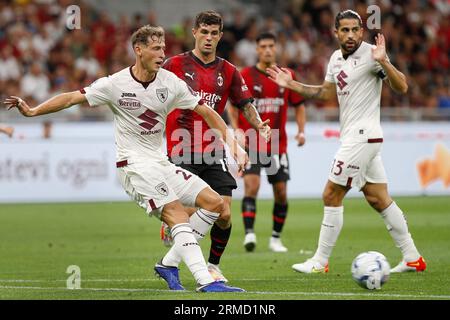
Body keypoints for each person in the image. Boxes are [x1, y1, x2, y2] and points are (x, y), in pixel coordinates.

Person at [4, 25, 247, 292]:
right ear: (138, 50)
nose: (162, 54)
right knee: (176, 213)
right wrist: (33, 111)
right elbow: (73, 97)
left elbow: (206, 111)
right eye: (156, 49)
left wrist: (231, 141)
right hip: (133, 165)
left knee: (216, 205)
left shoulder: (171, 83)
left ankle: (168, 263)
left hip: (160, 162)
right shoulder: (115, 84)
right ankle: (206, 281)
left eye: (163, 49)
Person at [267, 10, 426, 273]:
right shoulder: (335, 59)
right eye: (345, 30)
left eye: (355, 29)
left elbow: (402, 87)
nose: (351, 35)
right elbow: (326, 92)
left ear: (362, 31)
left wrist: (384, 61)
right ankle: (412, 257)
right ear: (335, 32)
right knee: (377, 197)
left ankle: (320, 261)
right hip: (358, 137)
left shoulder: (372, 55)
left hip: (363, 136)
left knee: (331, 194)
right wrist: (291, 84)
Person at [162, 11, 271, 282]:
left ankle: (213, 265)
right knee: (186, 212)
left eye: (214, 33)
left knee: (223, 212)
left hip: (212, 147)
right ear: (194, 32)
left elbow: (245, 104)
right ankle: (174, 245)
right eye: (204, 32)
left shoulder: (229, 71)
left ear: (220, 36)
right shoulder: (173, 65)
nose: (209, 38)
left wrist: (259, 125)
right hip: (180, 147)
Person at [227, 32, 306, 253]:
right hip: (252, 143)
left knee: (281, 191)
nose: (268, 50)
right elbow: (232, 106)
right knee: (252, 187)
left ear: (276, 48)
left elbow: (299, 105)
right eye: (264, 46)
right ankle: (250, 234)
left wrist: (301, 131)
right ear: (257, 49)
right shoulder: (245, 76)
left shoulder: (287, 75)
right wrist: (236, 130)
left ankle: (275, 238)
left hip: (277, 146)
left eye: (272, 45)